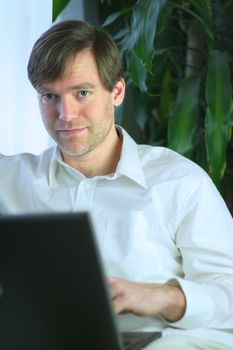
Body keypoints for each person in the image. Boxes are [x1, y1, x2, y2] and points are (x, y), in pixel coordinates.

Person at [1, 19, 233, 349]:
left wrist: (163, 297)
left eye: (82, 93)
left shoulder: (180, 182)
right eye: (49, 96)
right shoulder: (8, 179)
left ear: (117, 92)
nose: (65, 114)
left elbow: (229, 293)